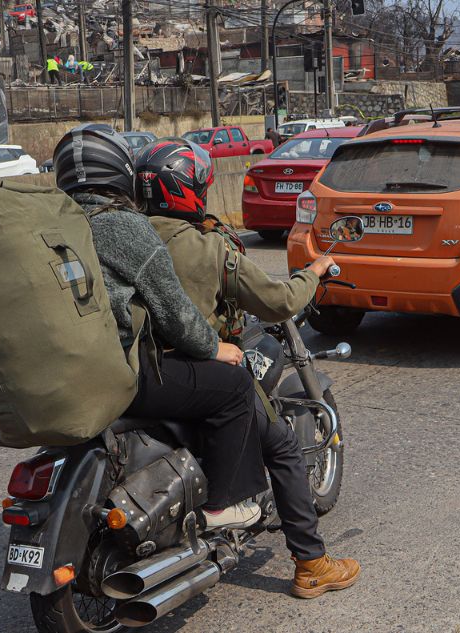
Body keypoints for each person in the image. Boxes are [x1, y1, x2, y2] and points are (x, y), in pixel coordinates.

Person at [134, 138, 362, 599]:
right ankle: (312, 564)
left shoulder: (126, 236)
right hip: (196, 372)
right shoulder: (206, 247)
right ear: (189, 190)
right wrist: (314, 271)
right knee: (280, 445)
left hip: (136, 372)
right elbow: (277, 302)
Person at [52, 124, 267, 529]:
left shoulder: (53, 228)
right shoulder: (124, 226)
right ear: (119, 172)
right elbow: (173, 310)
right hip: (124, 375)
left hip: (68, 374)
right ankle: (221, 505)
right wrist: (214, 348)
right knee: (234, 385)